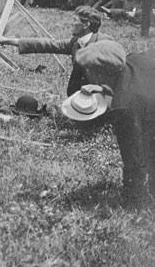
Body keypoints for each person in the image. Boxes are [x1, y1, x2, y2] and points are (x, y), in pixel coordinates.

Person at [61, 40, 155, 206]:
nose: (85, 74)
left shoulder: (125, 108)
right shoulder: (130, 60)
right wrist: (105, 89)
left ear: (100, 74)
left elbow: (133, 159)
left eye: (88, 70)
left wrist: (131, 200)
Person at [0, 5, 112, 95]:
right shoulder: (76, 42)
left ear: (86, 25)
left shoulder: (105, 43)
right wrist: (6, 40)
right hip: (81, 95)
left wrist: (102, 89)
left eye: (75, 21)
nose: (71, 24)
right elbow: (47, 44)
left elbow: (118, 75)